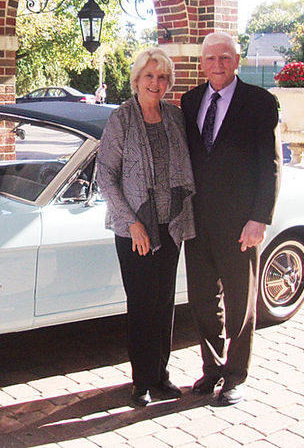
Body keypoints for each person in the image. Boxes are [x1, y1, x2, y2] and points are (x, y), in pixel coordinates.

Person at [180, 32, 282, 406]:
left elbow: (269, 165)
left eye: (225, 57)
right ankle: (211, 369)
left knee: (241, 302)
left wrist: (260, 218)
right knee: (202, 300)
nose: (218, 64)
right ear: (202, 62)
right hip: (197, 222)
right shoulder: (190, 101)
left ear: (237, 61)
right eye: (211, 58)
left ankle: (235, 376)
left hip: (241, 224)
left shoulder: (259, 102)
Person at [97, 49, 195, 407]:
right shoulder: (121, 119)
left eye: (163, 77)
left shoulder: (174, 116)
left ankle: (161, 377)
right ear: (136, 79)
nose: (156, 83)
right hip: (135, 227)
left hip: (171, 225)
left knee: (164, 302)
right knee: (142, 303)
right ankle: (141, 383)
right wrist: (133, 223)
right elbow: (105, 176)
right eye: (149, 76)